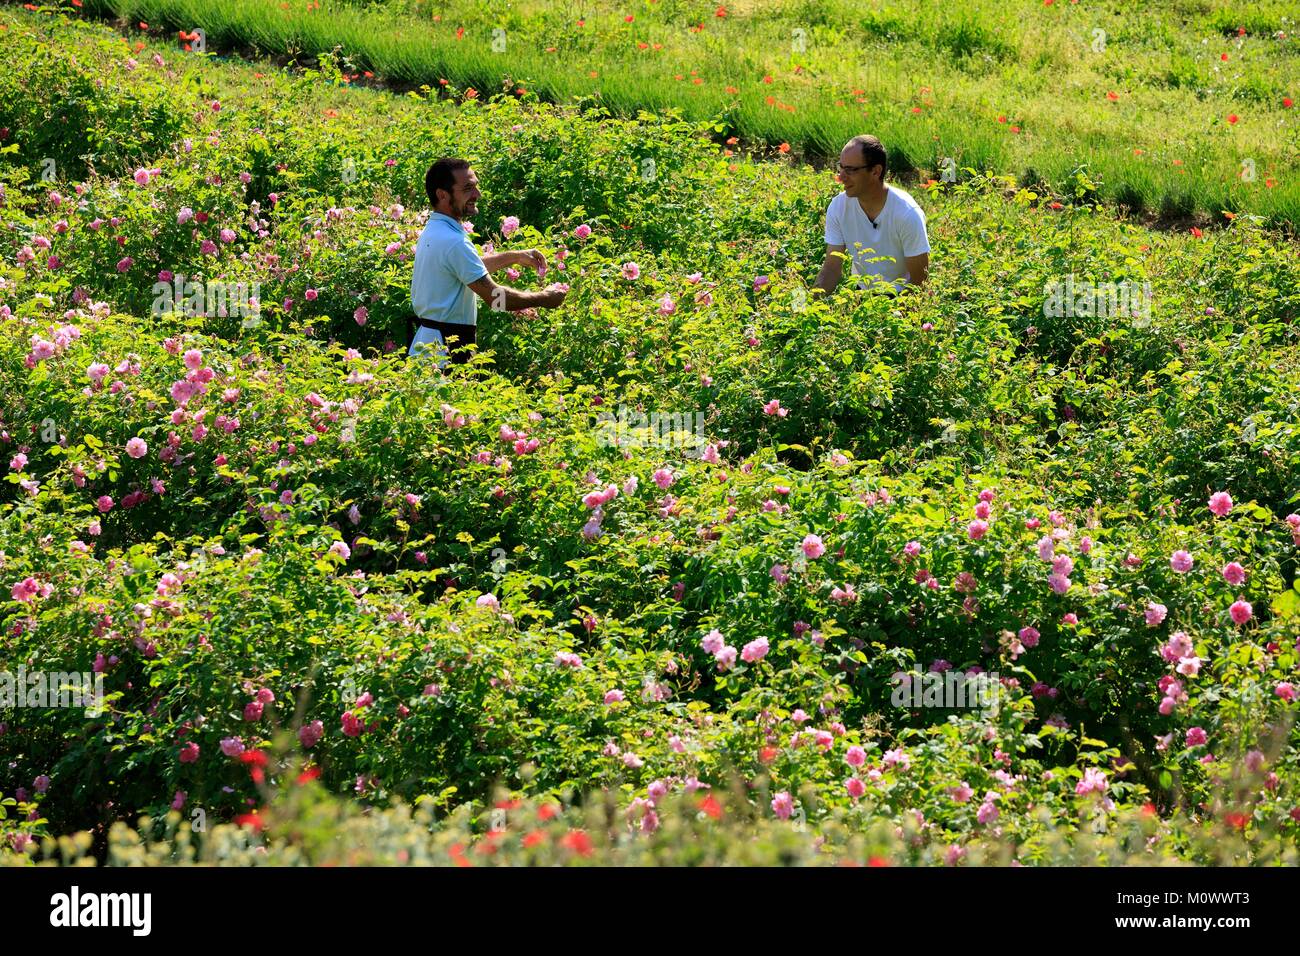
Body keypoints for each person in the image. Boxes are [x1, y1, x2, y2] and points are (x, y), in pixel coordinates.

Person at [409, 157, 567, 366]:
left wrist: (515, 256)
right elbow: (496, 299)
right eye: (467, 189)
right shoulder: (453, 241)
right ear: (442, 194)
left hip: (426, 346)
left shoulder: (435, 230)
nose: (477, 194)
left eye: (476, 186)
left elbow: (464, 267)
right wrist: (543, 298)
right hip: (446, 353)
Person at [812, 135, 930, 299]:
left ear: (875, 171)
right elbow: (832, 268)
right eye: (841, 168)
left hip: (902, 298)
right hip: (863, 294)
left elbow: (919, 282)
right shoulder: (839, 207)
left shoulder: (907, 214)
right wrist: (807, 307)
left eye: (851, 170)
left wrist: (893, 318)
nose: (841, 177)